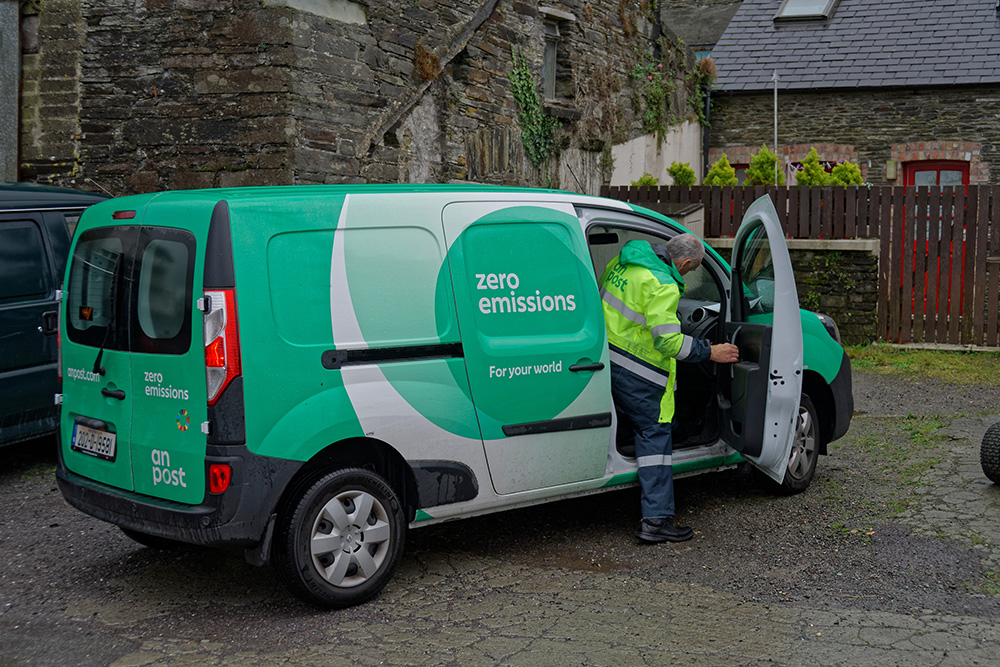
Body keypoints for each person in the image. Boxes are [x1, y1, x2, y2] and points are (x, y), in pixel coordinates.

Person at [599, 234, 739, 543]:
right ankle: (656, 520)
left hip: (608, 357)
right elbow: (670, 342)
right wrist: (710, 351)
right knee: (654, 435)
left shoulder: (623, 264)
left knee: (646, 425)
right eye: (691, 270)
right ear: (685, 263)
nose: (686, 276)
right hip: (639, 369)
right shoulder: (662, 284)